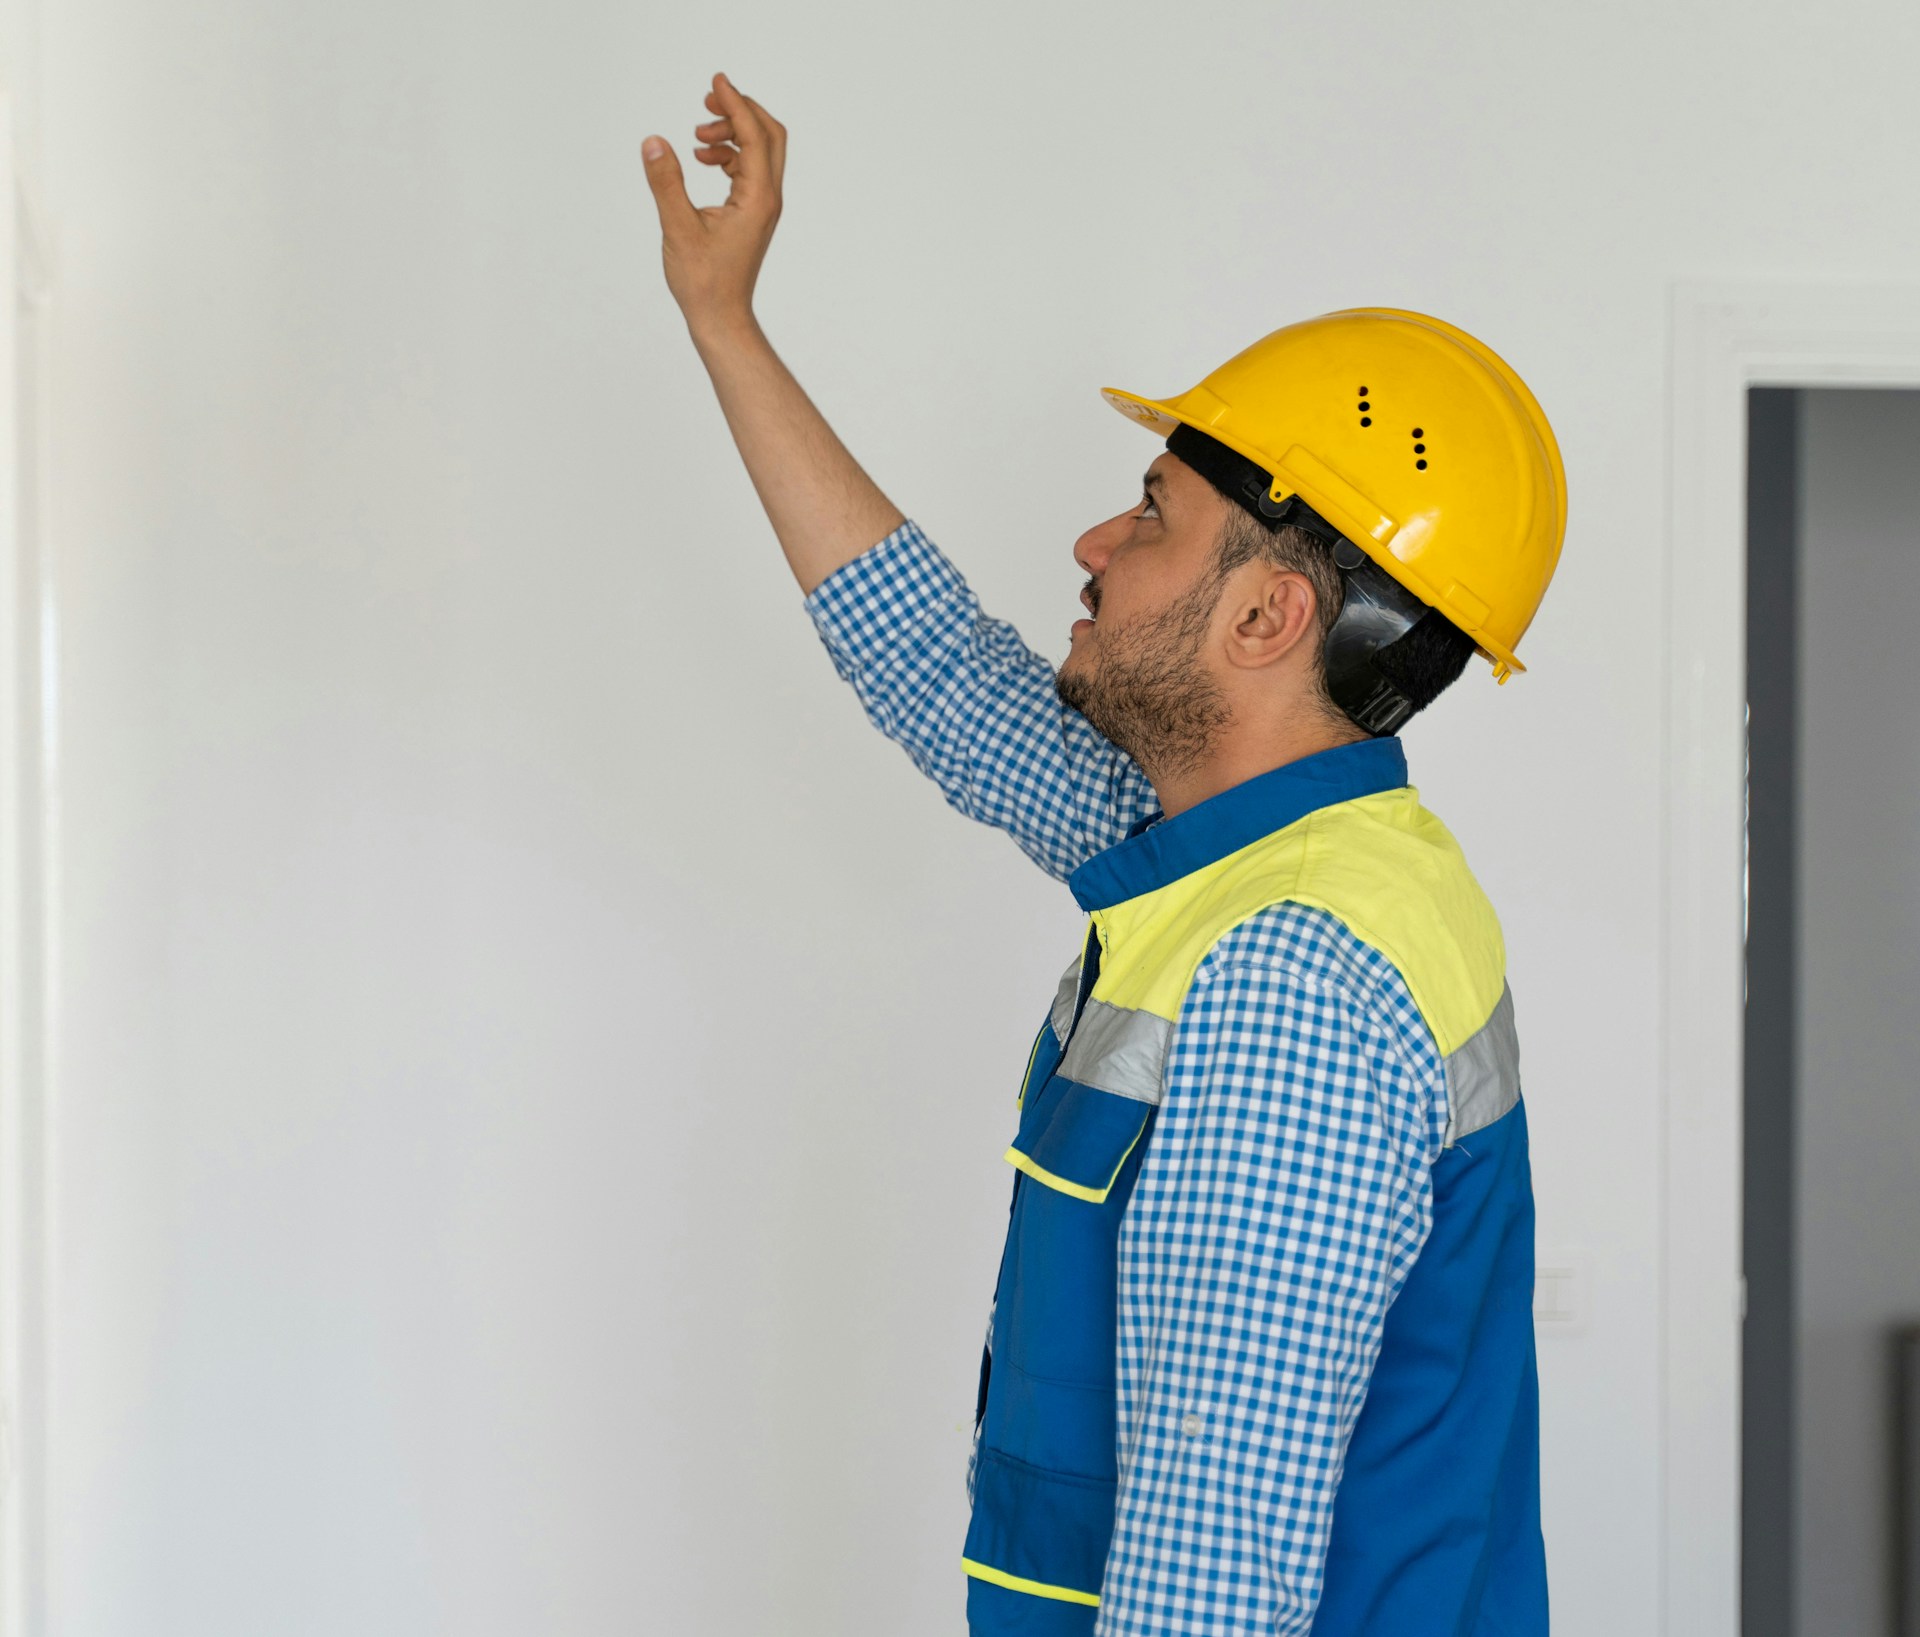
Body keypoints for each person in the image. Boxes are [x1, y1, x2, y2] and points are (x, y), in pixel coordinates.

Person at [640, 71, 1565, 1637]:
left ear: (1268, 615)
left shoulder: (1293, 975)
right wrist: (726, 320)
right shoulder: (1251, 856)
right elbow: (939, 674)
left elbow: (1216, 1565)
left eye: (1149, 516)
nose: (1091, 546)